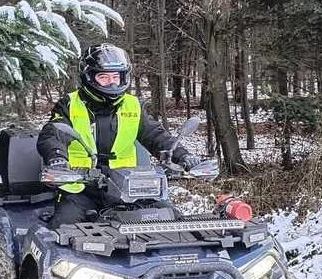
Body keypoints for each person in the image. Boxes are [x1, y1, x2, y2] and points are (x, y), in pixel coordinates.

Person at [37, 43, 200, 226]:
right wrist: (57, 159)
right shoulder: (69, 104)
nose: (112, 82)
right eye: (104, 77)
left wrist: (183, 156)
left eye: (116, 76)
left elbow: (156, 135)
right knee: (63, 229)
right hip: (80, 188)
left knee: (172, 221)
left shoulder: (132, 105)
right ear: (89, 77)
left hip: (128, 189)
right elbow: (52, 134)